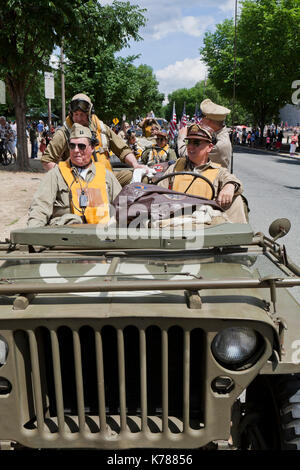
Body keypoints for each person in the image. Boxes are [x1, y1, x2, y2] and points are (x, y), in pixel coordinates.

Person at [28, 124, 122, 228]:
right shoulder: (56, 174)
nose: (76, 150)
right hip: (66, 237)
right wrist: (32, 238)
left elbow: (122, 208)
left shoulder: (106, 175)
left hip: (102, 236)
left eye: (81, 146)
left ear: (92, 148)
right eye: (72, 146)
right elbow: (40, 208)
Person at [41, 93, 149, 179]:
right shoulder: (64, 133)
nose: (79, 119)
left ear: (90, 114)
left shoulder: (101, 128)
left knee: (141, 177)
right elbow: (47, 160)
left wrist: (135, 165)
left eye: (82, 115)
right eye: (76, 115)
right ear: (71, 114)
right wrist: (65, 177)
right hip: (81, 182)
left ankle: (123, 206)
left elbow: (123, 150)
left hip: (107, 177)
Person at [157, 124, 247, 224]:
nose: (190, 147)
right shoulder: (176, 166)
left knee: (238, 199)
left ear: (209, 147)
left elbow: (233, 180)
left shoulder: (217, 170)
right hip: (173, 222)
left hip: (205, 225)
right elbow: (159, 190)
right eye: (188, 142)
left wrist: (230, 186)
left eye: (196, 143)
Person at [177, 99, 232, 168]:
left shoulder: (219, 144)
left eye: (202, 117)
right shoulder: (217, 133)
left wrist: (182, 136)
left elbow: (189, 155)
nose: (200, 121)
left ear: (208, 120)